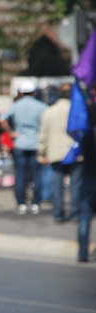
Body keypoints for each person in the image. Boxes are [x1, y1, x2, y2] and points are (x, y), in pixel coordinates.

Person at [0, 81, 47, 215]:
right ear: (34, 92)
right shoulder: (41, 106)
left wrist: (10, 133)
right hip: (36, 143)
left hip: (20, 142)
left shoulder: (16, 105)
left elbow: (1, 119)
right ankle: (36, 203)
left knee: (20, 175)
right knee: (37, 175)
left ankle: (21, 203)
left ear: (20, 93)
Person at [38, 83, 82, 223]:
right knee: (75, 184)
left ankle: (58, 213)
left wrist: (42, 153)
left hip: (56, 152)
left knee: (57, 185)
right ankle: (75, 213)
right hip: (75, 152)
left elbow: (43, 134)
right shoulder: (78, 110)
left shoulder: (49, 111)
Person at [77, 88, 96, 262]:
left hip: (89, 177)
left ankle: (82, 252)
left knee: (85, 216)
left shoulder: (87, 135)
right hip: (90, 177)